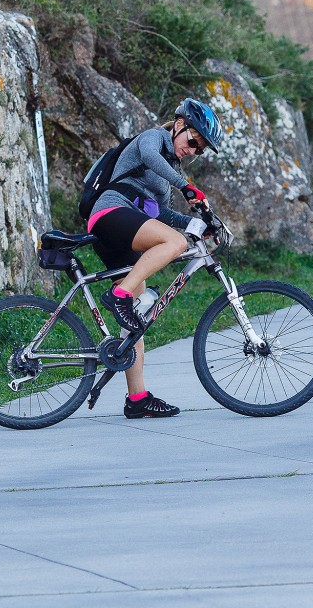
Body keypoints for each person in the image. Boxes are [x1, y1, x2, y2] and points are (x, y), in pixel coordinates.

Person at [87, 97, 223, 419]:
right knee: (174, 243)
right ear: (179, 125)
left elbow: (157, 212)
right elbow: (149, 157)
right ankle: (118, 295)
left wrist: (196, 223)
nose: (193, 150)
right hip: (110, 212)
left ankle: (137, 399)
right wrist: (187, 188)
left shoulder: (165, 177)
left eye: (199, 149)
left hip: (126, 229)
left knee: (137, 319)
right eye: (193, 141)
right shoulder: (153, 138)